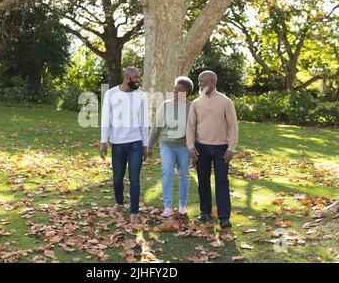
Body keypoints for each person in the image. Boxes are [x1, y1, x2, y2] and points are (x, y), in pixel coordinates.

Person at [186, 70, 238, 229]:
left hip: (221, 149)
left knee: (222, 182)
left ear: (213, 83)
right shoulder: (196, 103)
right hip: (201, 148)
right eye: (199, 81)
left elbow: (233, 126)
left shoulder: (226, 101)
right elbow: (190, 127)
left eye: (203, 82)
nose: (200, 84)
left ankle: (224, 217)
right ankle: (205, 212)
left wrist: (231, 148)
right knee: (203, 182)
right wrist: (191, 146)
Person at [100, 66, 148, 223]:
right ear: (127, 78)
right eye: (136, 78)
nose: (138, 81)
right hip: (117, 143)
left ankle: (134, 211)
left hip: (135, 142)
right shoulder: (111, 94)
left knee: (134, 177)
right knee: (117, 178)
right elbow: (105, 118)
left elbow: (144, 121)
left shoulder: (141, 96)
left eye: (138, 77)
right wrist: (103, 141)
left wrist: (145, 145)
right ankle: (119, 203)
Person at [148, 77, 193, 217]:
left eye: (180, 90)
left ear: (187, 93)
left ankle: (182, 206)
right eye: (175, 88)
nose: (175, 91)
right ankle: (167, 206)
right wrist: (149, 146)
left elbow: (195, 129)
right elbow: (156, 127)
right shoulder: (166, 105)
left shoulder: (191, 107)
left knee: (184, 174)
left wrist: (194, 148)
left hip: (184, 146)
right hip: (166, 144)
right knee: (167, 171)